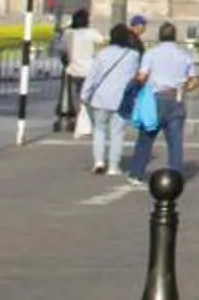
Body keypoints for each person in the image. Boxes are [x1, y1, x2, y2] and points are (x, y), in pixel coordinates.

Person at [127, 21, 198, 181]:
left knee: (146, 138)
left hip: (155, 98)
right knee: (175, 141)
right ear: (175, 36)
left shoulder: (151, 54)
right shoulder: (184, 55)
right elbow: (194, 80)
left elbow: (142, 76)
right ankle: (176, 175)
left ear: (159, 36)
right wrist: (184, 86)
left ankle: (136, 173)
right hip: (176, 97)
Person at [81, 22, 142, 177]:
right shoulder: (133, 56)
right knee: (117, 132)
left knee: (99, 130)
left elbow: (92, 77)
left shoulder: (102, 54)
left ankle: (99, 161)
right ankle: (114, 166)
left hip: (101, 99)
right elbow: (136, 77)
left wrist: (84, 95)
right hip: (122, 100)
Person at [60, 9, 98, 137]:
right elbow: (102, 43)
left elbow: (62, 50)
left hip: (74, 69)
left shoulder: (68, 33)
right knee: (89, 97)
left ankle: (80, 122)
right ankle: (87, 123)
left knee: (78, 96)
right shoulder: (92, 33)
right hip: (90, 70)